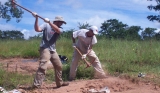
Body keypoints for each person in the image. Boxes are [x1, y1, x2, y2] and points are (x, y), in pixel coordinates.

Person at [32, 12, 69, 88]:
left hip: (53, 50)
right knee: (43, 66)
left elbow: (57, 30)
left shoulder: (60, 29)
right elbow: (37, 29)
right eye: (61, 22)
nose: (62, 24)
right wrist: (36, 19)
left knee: (59, 66)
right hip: (45, 48)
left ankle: (59, 83)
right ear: (57, 21)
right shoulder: (46, 25)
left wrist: (49, 22)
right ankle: (36, 86)